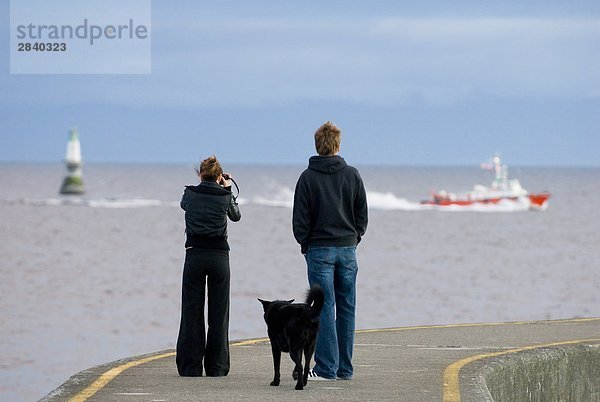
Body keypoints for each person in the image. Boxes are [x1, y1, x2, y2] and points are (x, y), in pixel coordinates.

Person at [292, 121, 368, 381]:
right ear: (337, 145)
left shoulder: (307, 177)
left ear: (317, 145)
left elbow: (299, 220)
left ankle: (326, 369)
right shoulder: (353, 175)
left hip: (319, 250)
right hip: (347, 249)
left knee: (324, 308)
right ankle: (344, 369)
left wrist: (305, 244)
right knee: (347, 308)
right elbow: (362, 215)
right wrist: (354, 237)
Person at [176, 155, 241, 377]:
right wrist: (227, 187)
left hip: (194, 256)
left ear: (200, 174)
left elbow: (184, 205)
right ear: (219, 175)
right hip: (219, 258)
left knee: (191, 312)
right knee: (219, 314)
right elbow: (236, 216)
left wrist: (211, 185)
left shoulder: (189, 194)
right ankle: (217, 367)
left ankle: (190, 366)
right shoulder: (224, 196)